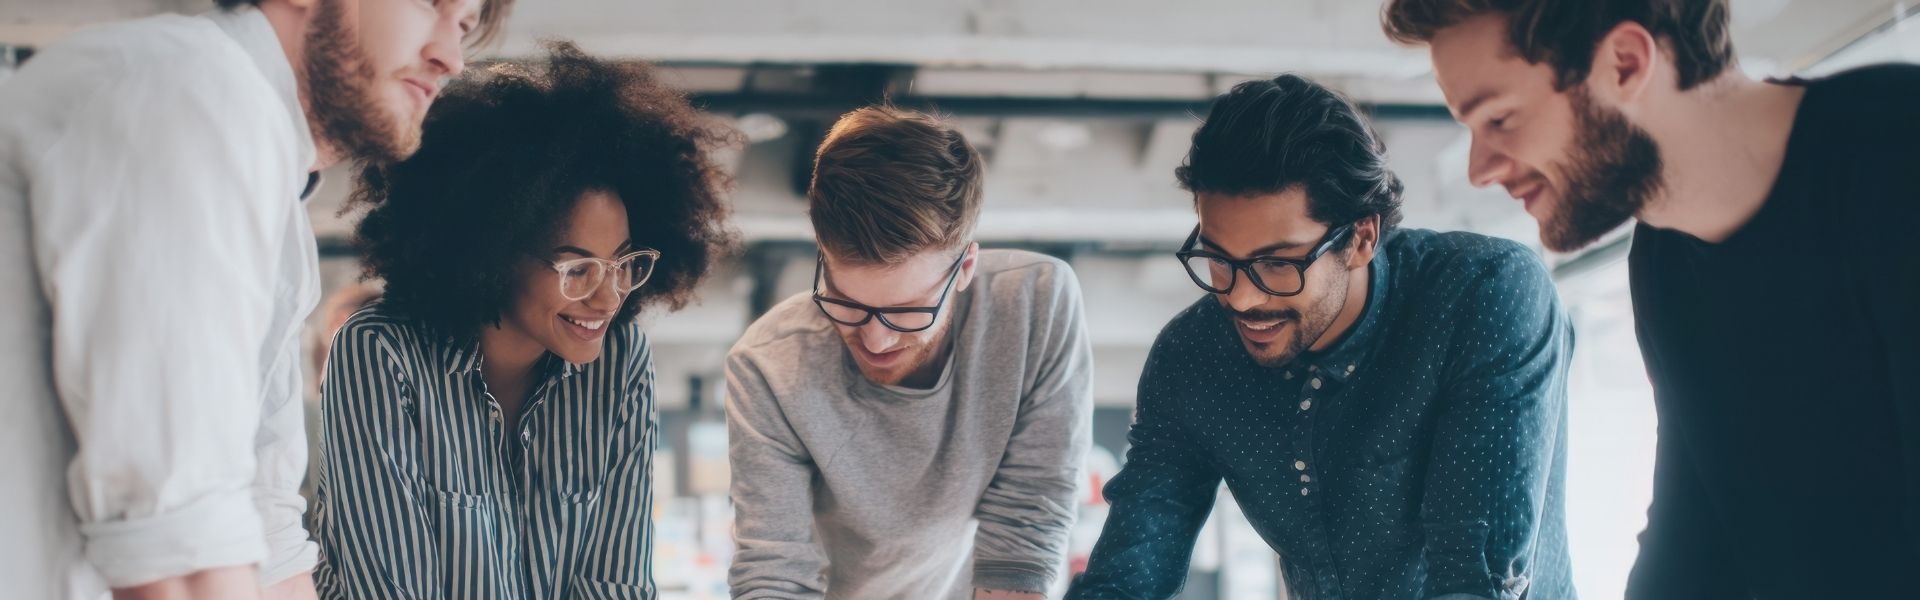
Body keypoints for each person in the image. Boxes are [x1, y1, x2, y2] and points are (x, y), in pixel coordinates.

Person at [1382, 0, 1920, 596]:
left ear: (1625, 63)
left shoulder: (1896, 150)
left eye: (1500, 119)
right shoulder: (1663, 255)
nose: (1480, 169)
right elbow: (1692, 533)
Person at [0, 0, 507, 597]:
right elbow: (183, 551)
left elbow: (266, 526)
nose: (451, 57)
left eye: (465, 27)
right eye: (431, 5)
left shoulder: (280, 208)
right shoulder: (191, 86)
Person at [1068, 75, 1574, 600]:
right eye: (1219, 260)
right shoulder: (1192, 358)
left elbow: (1476, 582)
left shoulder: (1483, 296)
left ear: (1361, 237)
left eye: (1277, 263)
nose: (1240, 298)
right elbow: (1127, 579)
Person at [308, 42, 734, 599]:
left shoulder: (619, 362)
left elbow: (615, 584)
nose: (608, 297)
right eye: (577, 268)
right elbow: (390, 590)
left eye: (626, 263)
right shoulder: (381, 354)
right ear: (493, 253)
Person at [725, 106, 1093, 599]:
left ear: (965, 268)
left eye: (906, 312)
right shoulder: (768, 367)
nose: (875, 340)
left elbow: (1027, 522)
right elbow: (773, 569)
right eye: (846, 303)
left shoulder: (1034, 303)